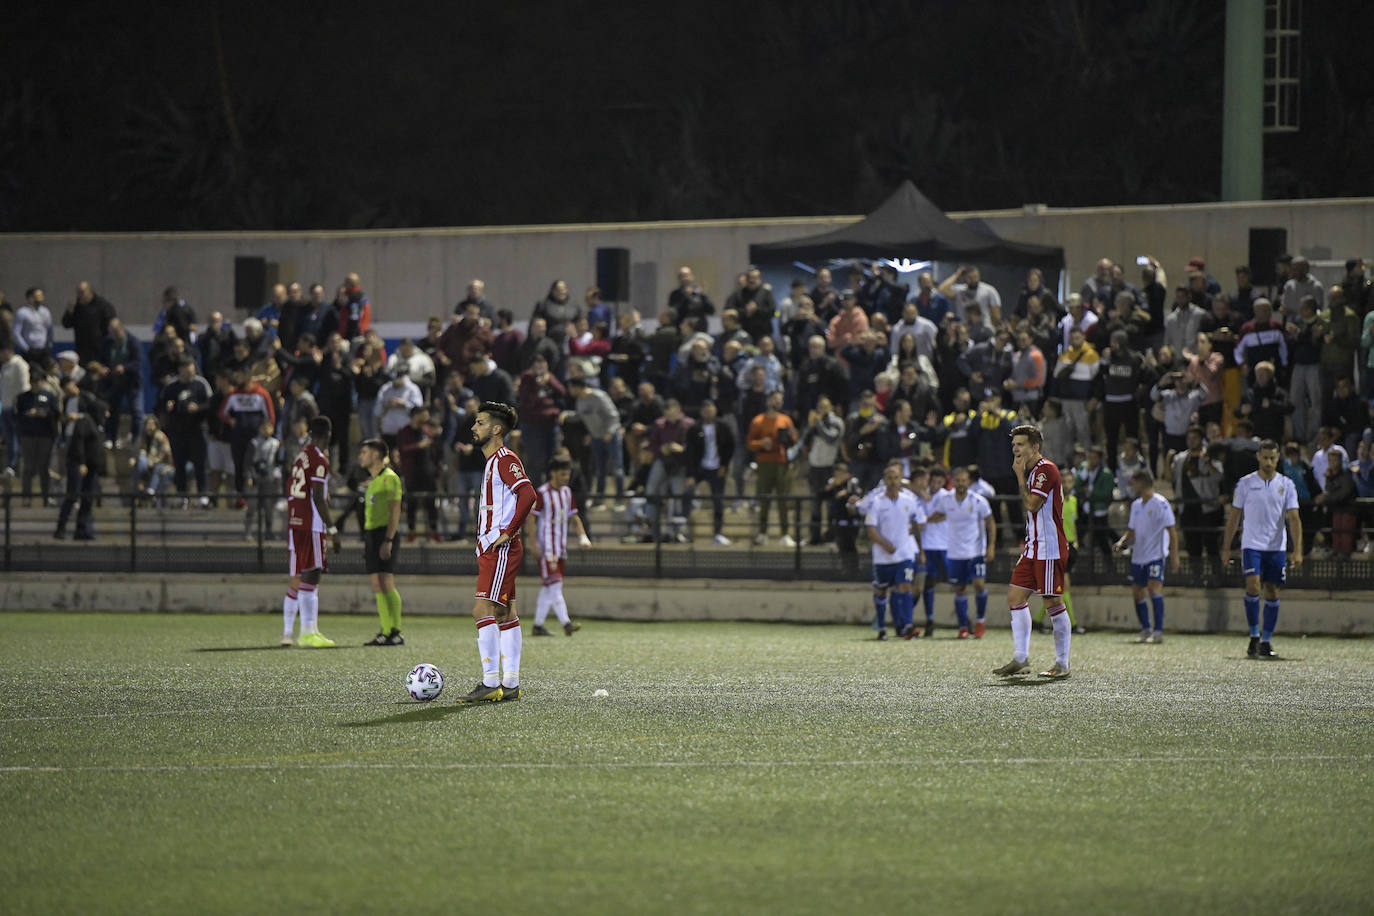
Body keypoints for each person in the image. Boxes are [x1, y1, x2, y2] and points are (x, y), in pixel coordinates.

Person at [458, 401, 538, 704]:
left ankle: (490, 682)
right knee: (505, 613)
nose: (473, 428)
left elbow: (528, 494)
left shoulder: (505, 458)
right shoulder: (493, 461)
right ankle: (511, 683)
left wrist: (508, 531)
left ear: (496, 429)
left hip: (500, 547)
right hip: (493, 546)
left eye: (479, 423)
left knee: (482, 610)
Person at [994, 425, 1072, 679]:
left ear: (1035, 447)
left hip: (1048, 549)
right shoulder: (1033, 472)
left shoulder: (1045, 470)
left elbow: (1032, 505)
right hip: (1033, 548)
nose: (1016, 449)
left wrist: (1018, 477)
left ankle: (1062, 663)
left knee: (1052, 603)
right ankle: (1020, 658)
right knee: (1015, 598)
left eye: (1021, 444)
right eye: (1014, 444)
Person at [1220, 439, 1304, 659]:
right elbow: (1234, 516)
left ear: (1278, 458)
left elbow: (1294, 518)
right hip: (1252, 544)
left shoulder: (1286, 485)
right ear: (1258, 457)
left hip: (1276, 546)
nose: (1268, 462)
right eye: (1265, 457)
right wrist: (1227, 547)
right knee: (1253, 585)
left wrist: (1298, 550)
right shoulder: (1245, 483)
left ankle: (1266, 641)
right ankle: (1254, 636)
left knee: (1273, 591)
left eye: (1273, 458)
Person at [283, 417, 339, 648]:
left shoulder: (302, 454)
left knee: (304, 574)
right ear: (328, 433)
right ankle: (307, 631)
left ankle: (306, 630)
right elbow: (317, 496)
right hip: (311, 522)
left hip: (296, 520)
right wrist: (333, 528)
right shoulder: (319, 458)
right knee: (313, 573)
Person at [924, 467, 996, 639]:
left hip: (975, 551)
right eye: (958, 480)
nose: (961, 483)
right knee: (960, 589)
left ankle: (980, 620)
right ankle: (963, 626)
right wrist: (923, 522)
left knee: (979, 584)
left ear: (968, 482)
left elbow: (990, 523)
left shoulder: (978, 501)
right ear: (953, 481)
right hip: (955, 551)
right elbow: (939, 515)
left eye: (964, 480)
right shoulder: (946, 500)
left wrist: (991, 546)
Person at [1112, 470, 1180, 644]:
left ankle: (1158, 632)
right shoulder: (1136, 505)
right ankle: (1145, 628)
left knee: (1153, 588)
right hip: (1139, 555)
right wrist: (1122, 542)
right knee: (1137, 591)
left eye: (1134, 483)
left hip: (1156, 554)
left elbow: (1171, 530)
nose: (1132, 487)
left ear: (1141, 483)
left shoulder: (1160, 503)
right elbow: (1132, 530)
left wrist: (1174, 555)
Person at [528, 456, 592, 636]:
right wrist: (533, 543)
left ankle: (538, 626)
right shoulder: (542, 493)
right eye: (563, 474)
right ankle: (566, 623)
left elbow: (575, 517)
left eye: (568, 473)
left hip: (560, 548)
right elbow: (531, 518)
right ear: (553, 473)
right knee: (555, 586)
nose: (566, 477)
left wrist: (583, 536)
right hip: (547, 548)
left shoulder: (566, 492)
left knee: (549, 587)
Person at [863, 461, 927, 640]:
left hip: (904, 553)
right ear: (885, 480)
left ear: (901, 480)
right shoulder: (876, 503)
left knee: (906, 586)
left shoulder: (909, 501)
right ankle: (882, 628)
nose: (892, 481)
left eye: (896, 478)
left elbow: (919, 523)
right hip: (883, 557)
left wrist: (920, 551)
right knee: (881, 591)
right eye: (889, 478)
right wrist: (885, 544)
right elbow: (870, 529)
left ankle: (907, 625)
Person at [359, 438, 406, 646]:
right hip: (372, 534)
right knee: (378, 583)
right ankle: (387, 631)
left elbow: (395, 511)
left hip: (384, 534)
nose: (361, 456)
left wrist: (388, 539)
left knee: (385, 583)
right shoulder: (374, 480)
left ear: (375, 455)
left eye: (364, 452)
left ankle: (392, 631)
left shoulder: (390, 478)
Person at [54, 377, 105, 541]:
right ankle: (61, 528)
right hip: (79, 461)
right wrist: (82, 462)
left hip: (90, 463)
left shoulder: (88, 420)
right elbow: (78, 444)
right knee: (73, 494)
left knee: (87, 497)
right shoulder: (83, 421)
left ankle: (81, 529)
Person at [747, 389, 797, 547]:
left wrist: (791, 437)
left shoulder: (786, 420)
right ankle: (762, 533)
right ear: (769, 401)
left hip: (782, 464)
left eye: (780, 400)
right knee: (764, 499)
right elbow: (749, 443)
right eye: (775, 399)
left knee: (783, 500)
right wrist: (762, 443)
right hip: (765, 463)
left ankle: (785, 533)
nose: (778, 402)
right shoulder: (758, 420)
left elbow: (794, 440)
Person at [685, 398, 734, 546]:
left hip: (717, 468)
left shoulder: (723, 427)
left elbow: (730, 446)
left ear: (715, 410)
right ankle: (685, 531)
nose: (708, 412)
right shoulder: (694, 429)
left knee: (718, 501)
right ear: (701, 412)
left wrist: (724, 465)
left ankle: (717, 533)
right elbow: (691, 453)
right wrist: (691, 475)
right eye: (705, 410)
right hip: (700, 468)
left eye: (711, 409)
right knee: (687, 495)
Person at [915, 465, 949, 636]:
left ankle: (965, 622)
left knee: (958, 584)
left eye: (939, 482)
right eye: (932, 481)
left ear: (943, 482)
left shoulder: (946, 496)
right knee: (926, 584)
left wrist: (923, 520)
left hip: (944, 545)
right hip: (927, 546)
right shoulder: (920, 495)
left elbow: (942, 515)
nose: (935, 484)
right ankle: (929, 621)